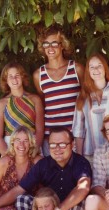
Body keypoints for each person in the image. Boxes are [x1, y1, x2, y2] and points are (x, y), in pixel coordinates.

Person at [33, 25, 84, 156]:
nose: (50, 48)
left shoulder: (76, 69)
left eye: (54, 43)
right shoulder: (39, 75)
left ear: (62, 45)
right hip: (51, 138)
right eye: (46, 44)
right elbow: (43, 105)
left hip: (74, 136)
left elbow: (86, 99)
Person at [0, 62, 44, 156]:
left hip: (32, 144)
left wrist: (35, 149)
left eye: (17, 75)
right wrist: (7, 155)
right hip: (10, 146)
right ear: (6, 80)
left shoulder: (35, 99)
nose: (14, 79)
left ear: (23, 77)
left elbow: (40, 130)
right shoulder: (2, 103)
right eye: (10, 76)